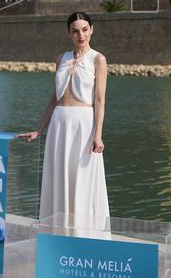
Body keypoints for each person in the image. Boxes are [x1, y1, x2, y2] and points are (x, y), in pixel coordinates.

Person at [18, 12, 109, 226]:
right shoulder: (61, 58)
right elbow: (54, 98)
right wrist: (39, 130)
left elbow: (99, 100)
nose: (81, 35)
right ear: (69, 33)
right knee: (58, 176)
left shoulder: (98, 59)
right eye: (75, 31)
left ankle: (82, 230)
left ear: (91, 30)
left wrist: (98, 135)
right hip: (59, 124)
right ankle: (56, 229)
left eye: (85, 29)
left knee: (81, 177)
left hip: (83, 124)